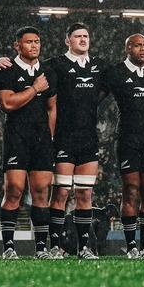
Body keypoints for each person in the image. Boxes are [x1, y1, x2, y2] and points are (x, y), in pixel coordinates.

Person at [102, 32, 144, 257]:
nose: (143, 49)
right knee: (130, 191)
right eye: (138, 45)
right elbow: (96, 96)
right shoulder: (116, 72)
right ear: (127, 49)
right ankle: (131, 246)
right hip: (127, 139)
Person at [45, 24, 107, 258]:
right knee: (60, 194)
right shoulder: (56, 64)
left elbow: (124, 73)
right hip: (64, 138)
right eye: (78, 36)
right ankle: (55, 246)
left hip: (88, 139)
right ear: (67, 40)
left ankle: (84, 248)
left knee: (85, 195)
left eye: (86, 36)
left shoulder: (99, 65)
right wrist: (2, 61)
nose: (83, 39)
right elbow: (30, 68)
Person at [0, 27, 55, 257]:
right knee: (14, 190)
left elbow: (52, 107)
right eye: (29, 42)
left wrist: (49, 136)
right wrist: (34, 88)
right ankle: (9, 248)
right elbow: (7, 103)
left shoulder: (48, 71)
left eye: (37, 41)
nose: (34, 45)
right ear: (17, 45)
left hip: (41, 139)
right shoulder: (7, 69)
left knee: (41, 192)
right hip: (17, 137)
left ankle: (41, 248)